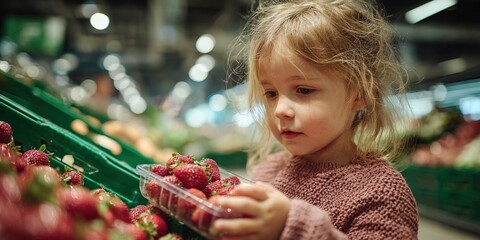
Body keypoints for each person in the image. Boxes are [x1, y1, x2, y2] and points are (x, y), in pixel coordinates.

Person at [211, 0, 419, 239]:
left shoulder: (381, 191)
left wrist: (290, 225)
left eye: (304, 90)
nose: (280, 110)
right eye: (271, 93)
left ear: (361, 94)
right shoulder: (268, 170)